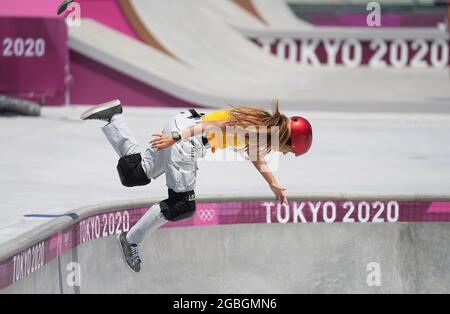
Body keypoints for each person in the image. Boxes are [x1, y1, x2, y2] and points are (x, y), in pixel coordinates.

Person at [80, 99, 312, 272]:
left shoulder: (264, 125)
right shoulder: (259, 127)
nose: (286, 154)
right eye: (290, 152)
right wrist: (176, 138)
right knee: (181, 205)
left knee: (135, 173)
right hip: (187, 139)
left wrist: (272, 184)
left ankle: (114, 118)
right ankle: (130, 240)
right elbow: (219, 124)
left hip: (182, 123)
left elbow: (254, 155)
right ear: (290, 143)